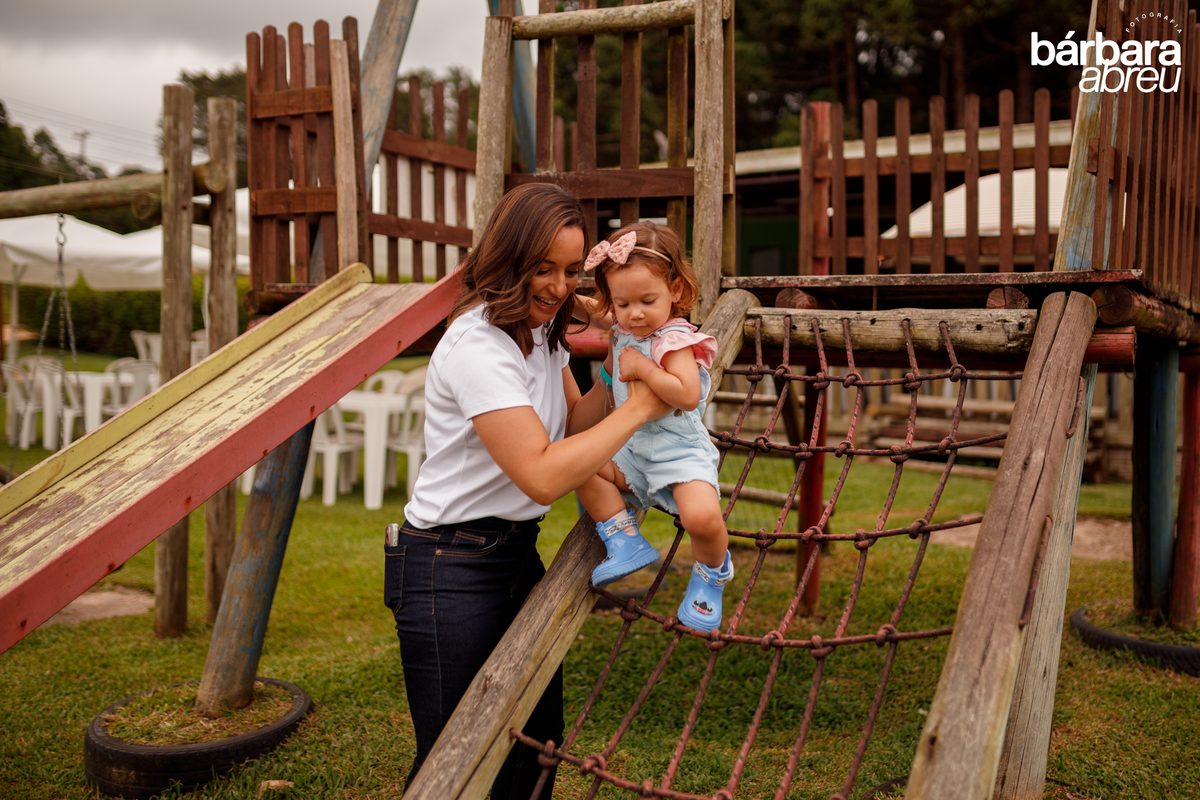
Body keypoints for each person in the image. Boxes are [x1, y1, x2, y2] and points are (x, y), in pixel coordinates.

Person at [385, 184, 670, 800]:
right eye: (543, 268)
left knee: (535, 749)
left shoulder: (540, 333)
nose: (559, 286)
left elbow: (573, 428)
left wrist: (620, 361)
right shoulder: (477, 346)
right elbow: (541, 474)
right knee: (454, 760)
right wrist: (642, 408)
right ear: (508, 258)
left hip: (514, 552)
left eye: (570, 271)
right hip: (448, 564)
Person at [575, 222, 734, 632]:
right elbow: (593, 311)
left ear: (675, 290)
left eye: (647, 300)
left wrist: (642, 367)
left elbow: (687, 394)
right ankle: (624, 537)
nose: (635, 314)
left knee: (703, 519)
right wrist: (560, 297)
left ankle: (712, 574)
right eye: (622, 303)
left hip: (678, 452)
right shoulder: (624, 325)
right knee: (578, 465)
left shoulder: (673, 339)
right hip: (631, 452)